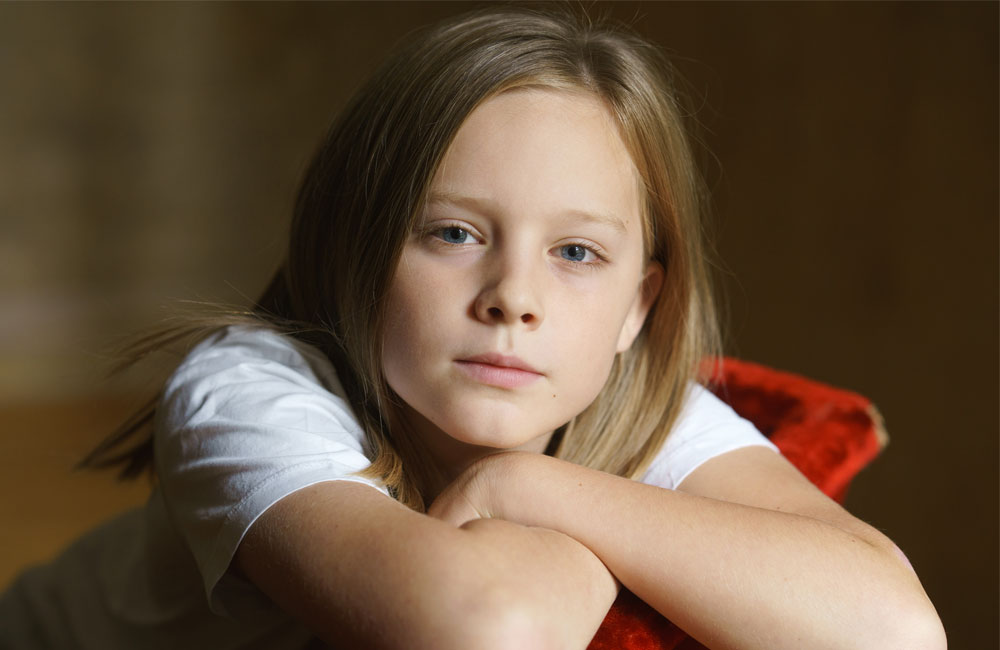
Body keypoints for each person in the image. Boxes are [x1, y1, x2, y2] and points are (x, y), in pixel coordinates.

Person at [1, 7, 945, 649]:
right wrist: (591, 517)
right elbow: (488, 627)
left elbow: (893, 630)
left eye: (576, 252)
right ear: (355, 253)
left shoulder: (631, 404)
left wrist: (527, 487)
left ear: (637, 309)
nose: (513, 298)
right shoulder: (249, 390)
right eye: (454, 233)